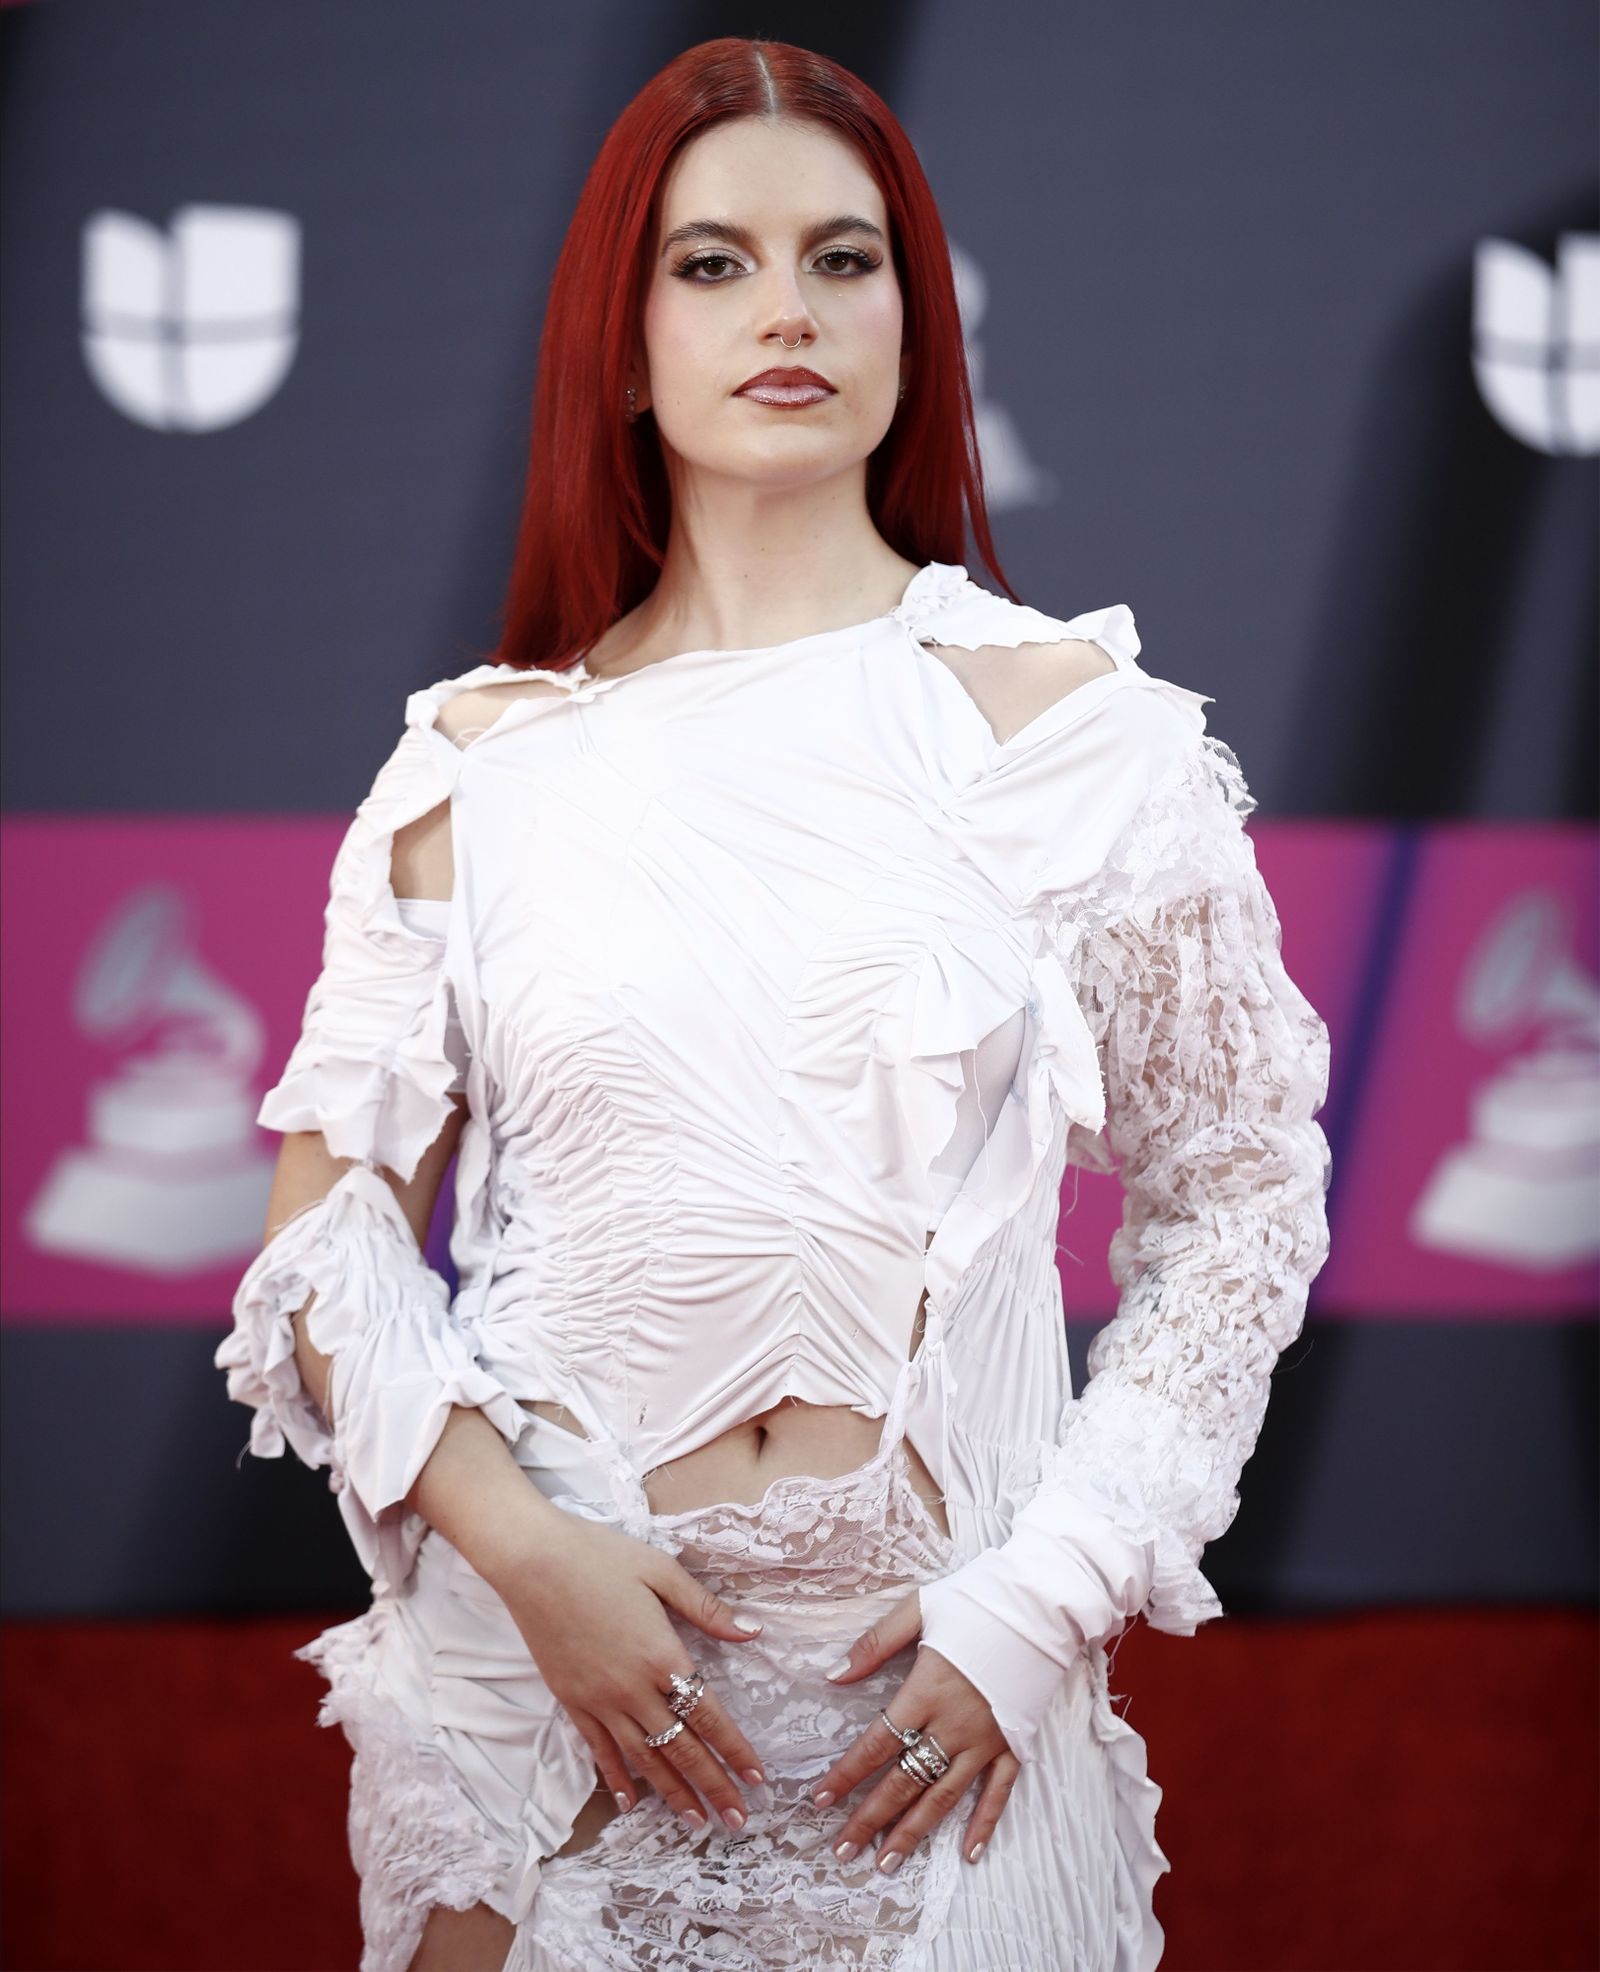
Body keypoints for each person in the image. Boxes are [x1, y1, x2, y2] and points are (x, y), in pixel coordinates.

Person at [215, 34, 1333, 1972]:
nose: (786, 311)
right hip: (539, 1721)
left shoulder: (1079, 740)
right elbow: (326, 1241)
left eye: (842, 257)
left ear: (912, 319)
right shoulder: (472, 767)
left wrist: (1044, 1597)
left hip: (950, 1725)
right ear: (623, 339)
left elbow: (1236, 1193)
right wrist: (529, 1557)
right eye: (712, 263)